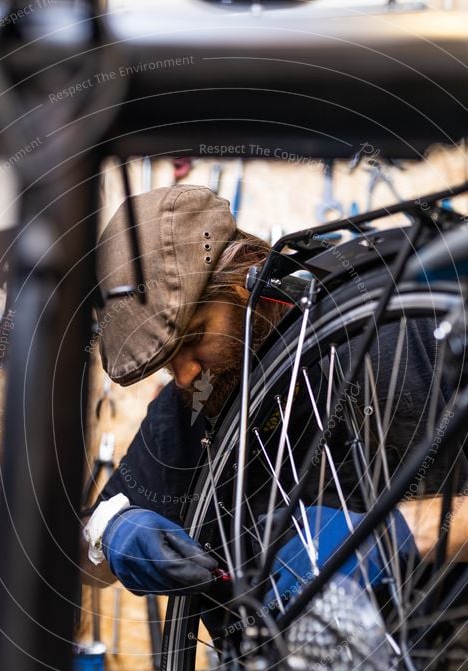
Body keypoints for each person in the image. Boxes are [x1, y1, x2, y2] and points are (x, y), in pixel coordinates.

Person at [80, 184, 463, 608]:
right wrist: (113, 530)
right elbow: (84, 561)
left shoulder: (412, 325)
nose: (186, 375)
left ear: (247, 276)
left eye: (196, 336)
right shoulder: (189, 410)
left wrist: (405, 532)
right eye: (168, 362)